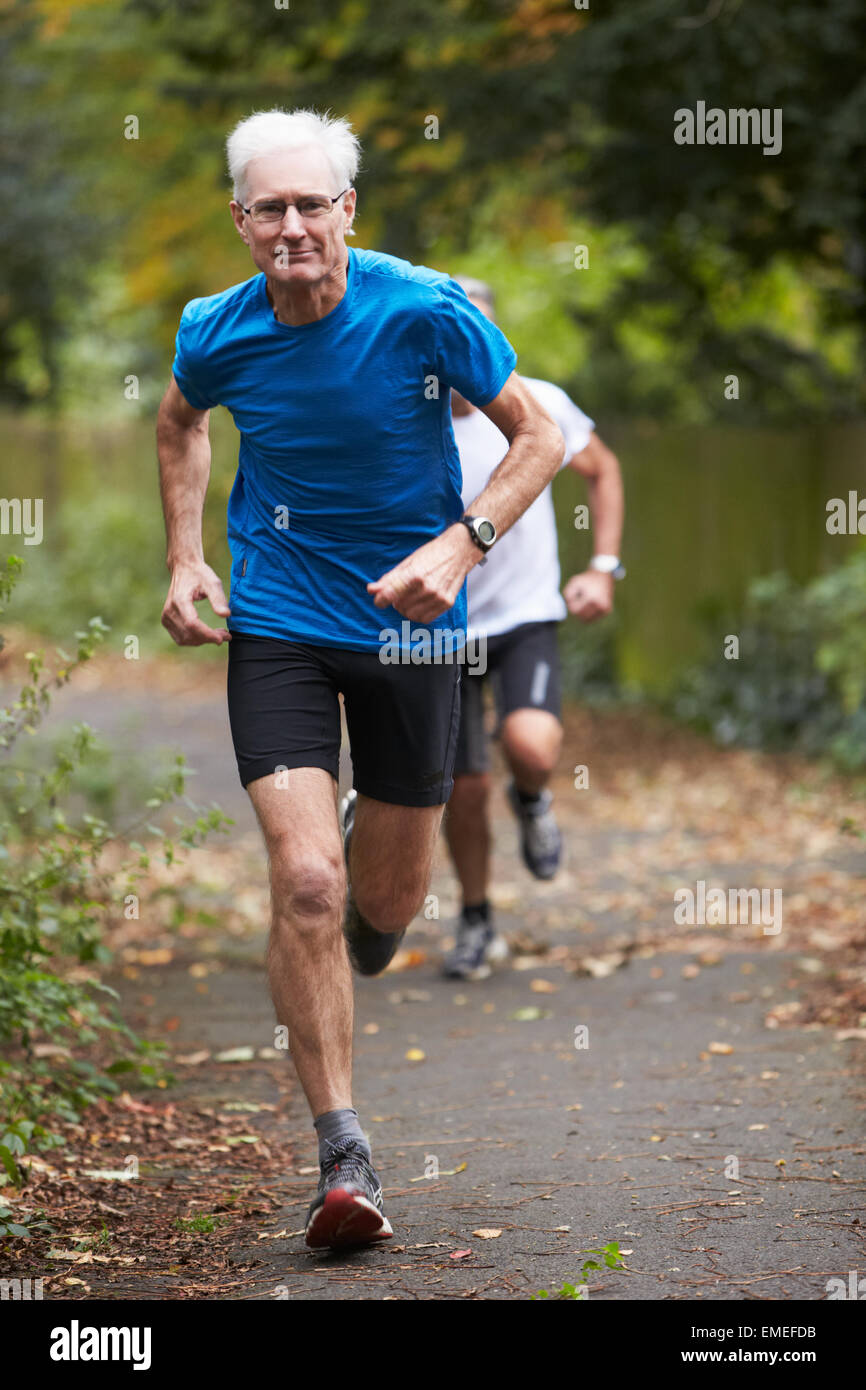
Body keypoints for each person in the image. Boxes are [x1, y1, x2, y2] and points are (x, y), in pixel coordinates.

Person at [156, 110, 565, 1249]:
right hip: (280, 616)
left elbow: (540, 438)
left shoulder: (424, 307)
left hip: (416, 625)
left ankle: (370, 881)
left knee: (381, 914)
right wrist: (188, 553)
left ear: (348, 213)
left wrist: (461, 543)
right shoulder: (212, 328)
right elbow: (180, 423)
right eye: (268, 209)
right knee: (305, 885)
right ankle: (344, 1154)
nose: (292, 226)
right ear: (241, 223)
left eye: (311, 205)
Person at [441, 276, 625, 981]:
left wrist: (603, 567)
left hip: (523, 615)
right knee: (463, 788)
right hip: (441, 631)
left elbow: (602, 471)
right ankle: (476, 918)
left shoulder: (539, 403)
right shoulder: (405, 413)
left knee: (531, 745)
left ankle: (533, 798)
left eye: (482, 335)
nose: (468, 349)